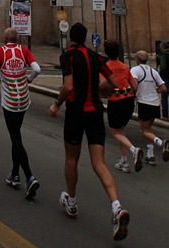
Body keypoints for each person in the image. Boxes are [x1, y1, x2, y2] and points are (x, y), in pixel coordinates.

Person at [49, 22, 130, 241]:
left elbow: (68, 86)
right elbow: (112, 83)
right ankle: (116, 207)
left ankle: (72, 202)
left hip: (76, 113)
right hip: (95, 112)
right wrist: (95, 89)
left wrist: (57, 104)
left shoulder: (68, 56)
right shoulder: (96, 57)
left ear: (71, 38)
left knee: (71, 159)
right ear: (84, 38)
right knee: (99, 164)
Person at [0, 27, 41, 200]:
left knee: (16, 138)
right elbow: (37, 69)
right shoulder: (24, 51)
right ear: (17, 39)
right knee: (15, 136)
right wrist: (29, 79)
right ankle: (15, 174)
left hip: (9, 102)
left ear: (4, 39)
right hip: (23, 100)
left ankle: (29, 176)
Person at [103, 40, 143, 173]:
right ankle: (124, 162)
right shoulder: (125, 67)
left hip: (115, 100)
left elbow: (102, 84)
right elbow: (135, 86)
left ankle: (133, 150)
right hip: (128, 100)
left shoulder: (105, 67)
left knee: (114, 131)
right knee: (121, 130)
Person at [130, 50, 169, 166]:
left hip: (144, 103)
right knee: (148, 130)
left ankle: (161, 143)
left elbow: (134, 86)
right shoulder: (153, 71)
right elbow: (163, 88)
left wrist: (133, 96)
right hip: (155, 104)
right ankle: (150, 156)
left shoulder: (135, 70)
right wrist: (154, 90)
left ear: (137, 59)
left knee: (143, 130)